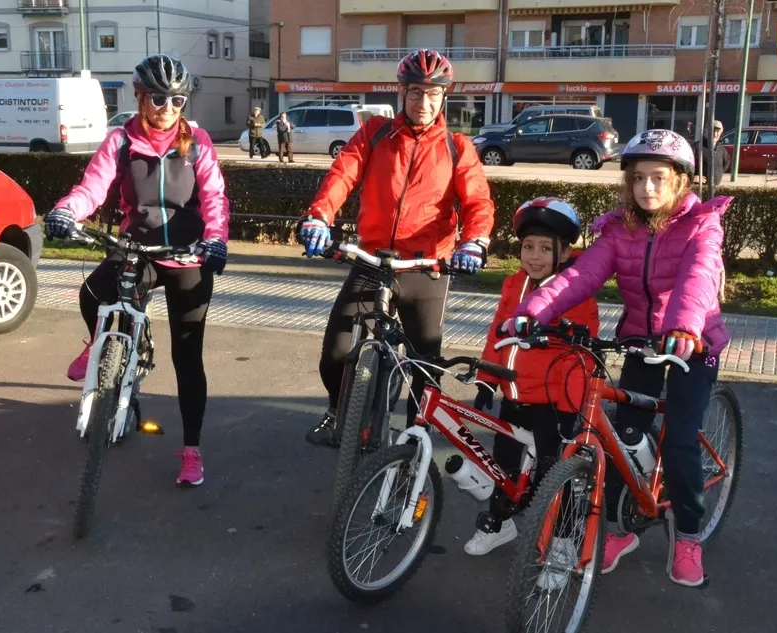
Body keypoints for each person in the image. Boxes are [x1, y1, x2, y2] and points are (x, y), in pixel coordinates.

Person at [508, 128, 732, 587]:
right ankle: (620, 528)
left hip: (692, 343)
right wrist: (532, 311)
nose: (647, 188)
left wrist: (684, 328)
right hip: (639, 342)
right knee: (619, 438)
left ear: (680, 181)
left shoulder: (702, 225)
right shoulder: (619, 229)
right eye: (638, 178)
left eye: (659, 178)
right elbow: (580, 277)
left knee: (679, 441)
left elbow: (698, 278)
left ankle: (688, 535)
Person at [43, 54, 230, 487]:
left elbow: (215, 198)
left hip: (186, 253)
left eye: (177, 100)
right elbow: (92, 187)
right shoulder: (121, 141)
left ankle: (191, 450)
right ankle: (99, 346)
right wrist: (67, 210)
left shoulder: (197, 142)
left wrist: (216, 239)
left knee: (188, 356)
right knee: (92, 293)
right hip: (137, 248)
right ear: (140, 97)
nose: (168, 108)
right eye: (158, 98)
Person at [295, 48, 495, 446]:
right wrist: (319, 216)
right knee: (335, 354)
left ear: (444, 96)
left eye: (433, 94)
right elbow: (342, 174)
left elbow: (478, 201)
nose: (424, 102)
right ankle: (338, 411)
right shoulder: (376, 133)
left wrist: (474, 242)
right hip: (373, 261)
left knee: (425, 364)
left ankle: (415, 443)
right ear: (401, 92)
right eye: (416, 92)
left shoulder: (457, 146)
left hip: (426, 266)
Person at [464, 197, 600, 557]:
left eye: (544, 248)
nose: (534, 256)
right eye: (528, 247)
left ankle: (563, 541)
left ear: (565, 252)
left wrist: (570, 408)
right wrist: (487, 379)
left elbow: (580, 355)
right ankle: (500, 523)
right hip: (514, 395)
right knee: (504, 467)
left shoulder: (575, 293)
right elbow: (497, 335)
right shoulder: (513, 285)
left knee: (554, 474)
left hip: (553, 403)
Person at [693, 120, 730, 186]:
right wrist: (692, 178)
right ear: (706, 131)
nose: (715, 134)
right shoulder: (696, 148)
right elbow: (684, 168)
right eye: (712, 131)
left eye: (718, 131)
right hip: (698, 188)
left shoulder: (722, 150)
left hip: (715, 187)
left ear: (721, 132)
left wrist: (718, 174)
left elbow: (726, 163)